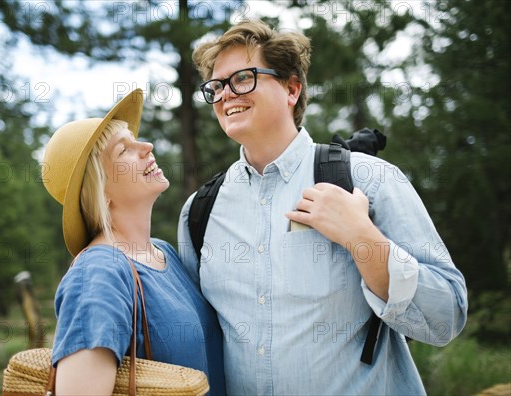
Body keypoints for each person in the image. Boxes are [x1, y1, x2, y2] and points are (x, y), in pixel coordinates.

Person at [178, 19, 468, 395]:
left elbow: (446, 317)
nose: (226, 95)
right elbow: (199, 343)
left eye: (244, 78)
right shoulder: (199, 211)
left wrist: (362, 238)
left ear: (292, 88)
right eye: (215, 87)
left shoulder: (372, 179)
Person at [42, 89, 225, 395]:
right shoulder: (99, 273)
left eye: (135, 138)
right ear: (99, 189)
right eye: (123, 150)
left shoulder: (163, 252)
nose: (147, 146)